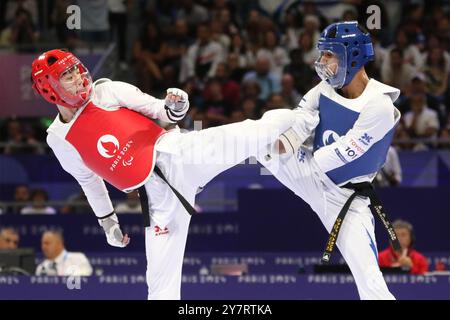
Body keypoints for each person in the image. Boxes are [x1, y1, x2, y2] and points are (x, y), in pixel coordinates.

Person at [30, 49, 295, 299]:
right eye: (67, 76)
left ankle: (304, 117)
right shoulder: (59, 139)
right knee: (160, 288)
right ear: (49, 89)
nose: (78, 77)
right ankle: (279, 140)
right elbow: (88, 180)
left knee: (255, 131)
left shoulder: (107, 90)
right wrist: (108, 222)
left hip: (180, 155)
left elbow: (162, 112)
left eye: (77, 69)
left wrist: (176, 106)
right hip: (157, 199)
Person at [258, 21, 401, 300]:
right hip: (310, 172)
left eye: (329, 55)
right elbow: (301, 117)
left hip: (345, 198)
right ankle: (193, 162)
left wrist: (287, 152)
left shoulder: (379, 105)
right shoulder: (324, 87)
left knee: (371, 283)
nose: (322, 62)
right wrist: (282, 144)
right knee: (272, 122)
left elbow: (342, 152)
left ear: (353, 57)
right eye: (322, 54)